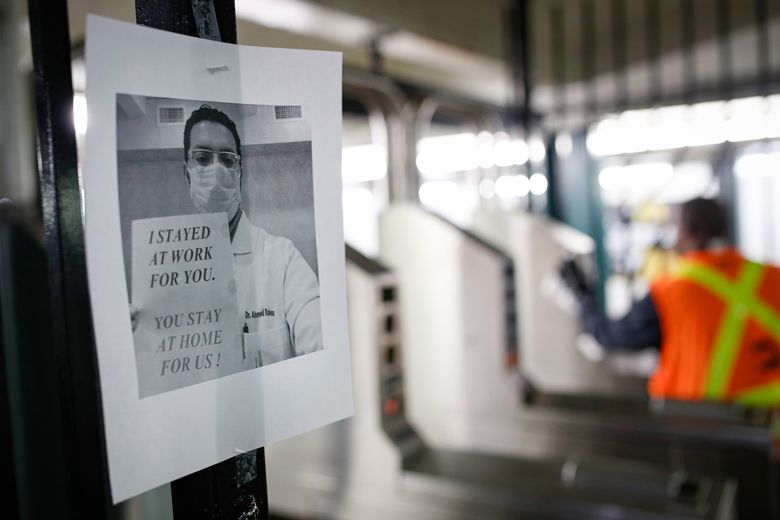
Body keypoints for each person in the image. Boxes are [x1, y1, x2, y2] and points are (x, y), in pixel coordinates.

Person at [561, 198, 780, 406]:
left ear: (686, 230)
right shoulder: (773, 276)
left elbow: (610, 336)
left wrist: (582, 295)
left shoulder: (672, 291)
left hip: (707, 429)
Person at [181, 104, 322, 366]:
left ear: (239, 173)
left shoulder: (283, 258)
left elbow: (318, 337)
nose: (216, 170)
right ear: (186, 169)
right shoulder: (164, 270)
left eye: (227, 159)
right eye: (202, 158)